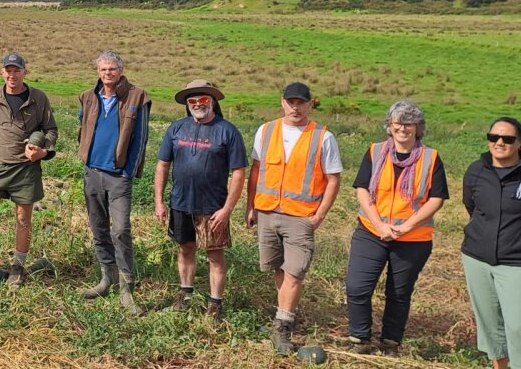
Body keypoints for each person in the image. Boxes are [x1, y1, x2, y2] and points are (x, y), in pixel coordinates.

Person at [245, 82, 342, 354]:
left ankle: (283, 327)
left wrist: (319, 215)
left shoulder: (323, 137)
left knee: (295, 272)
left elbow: (334, 179)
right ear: (282, 102)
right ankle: (283, 316)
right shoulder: (266, 131)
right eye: (290, 102)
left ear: (311, 104)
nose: (295, 107)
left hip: (301, 217)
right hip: (266, 212)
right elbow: (256, 171)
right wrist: (249, 206)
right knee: (278, 268)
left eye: (301, 102)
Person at [344, 99, 447, 354]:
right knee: (357, 287)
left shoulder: (431, 158)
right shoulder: (375, 151)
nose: (403, 128)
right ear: (389, 125)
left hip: (413, 237)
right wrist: (379, 225)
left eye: (409, 123)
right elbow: (361, 190)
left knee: (398, 293)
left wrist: (407, 226)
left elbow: (436, 199)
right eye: (398, 122)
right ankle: (359, 339)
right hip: (371, 231)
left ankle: (390, 342)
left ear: (418, 127)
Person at [461, 117, 521, 369]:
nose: (499, 143)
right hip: (477, 259)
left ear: (520, 143)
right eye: (494, 137)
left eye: (507, 139)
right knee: (491, 326)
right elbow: (472, 207)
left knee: (520, 328)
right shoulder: (476, 171)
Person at [154, 79, 247, 321]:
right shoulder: (176, 129)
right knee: (185, 249)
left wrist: (227, 209)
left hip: (212, 207)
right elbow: (163, 165)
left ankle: (215, 305)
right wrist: (159, 201)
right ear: (187, 104)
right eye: (192, 101)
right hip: (180, 203)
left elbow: (238, 173)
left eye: (203, 100)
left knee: (214, 254)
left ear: (213, 101)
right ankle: (185, 296)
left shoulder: (228, 131)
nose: (198, 104)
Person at [0, 52, 58, 287]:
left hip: (25, 168)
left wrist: (43, 151)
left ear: (24, 72)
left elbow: (50, 130)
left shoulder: (38, 98)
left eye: (17, 70)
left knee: (23, 219)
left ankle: (17, 267)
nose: (12, 74)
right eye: (8, 70)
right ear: (2, 72)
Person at [76, 50, 152, 315]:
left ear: (121, 70)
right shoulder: (88, 97)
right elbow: (81, 127)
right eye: (103, 69)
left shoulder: (137, 96)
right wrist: (85, 160)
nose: (107, 74)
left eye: (112, 69)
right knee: (98, 228)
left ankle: (126, 287)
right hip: (93, 172)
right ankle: (106, 278)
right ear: (98, 71)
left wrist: (127, 172)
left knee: (120, 230)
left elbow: (141, 138)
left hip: (118, 176)